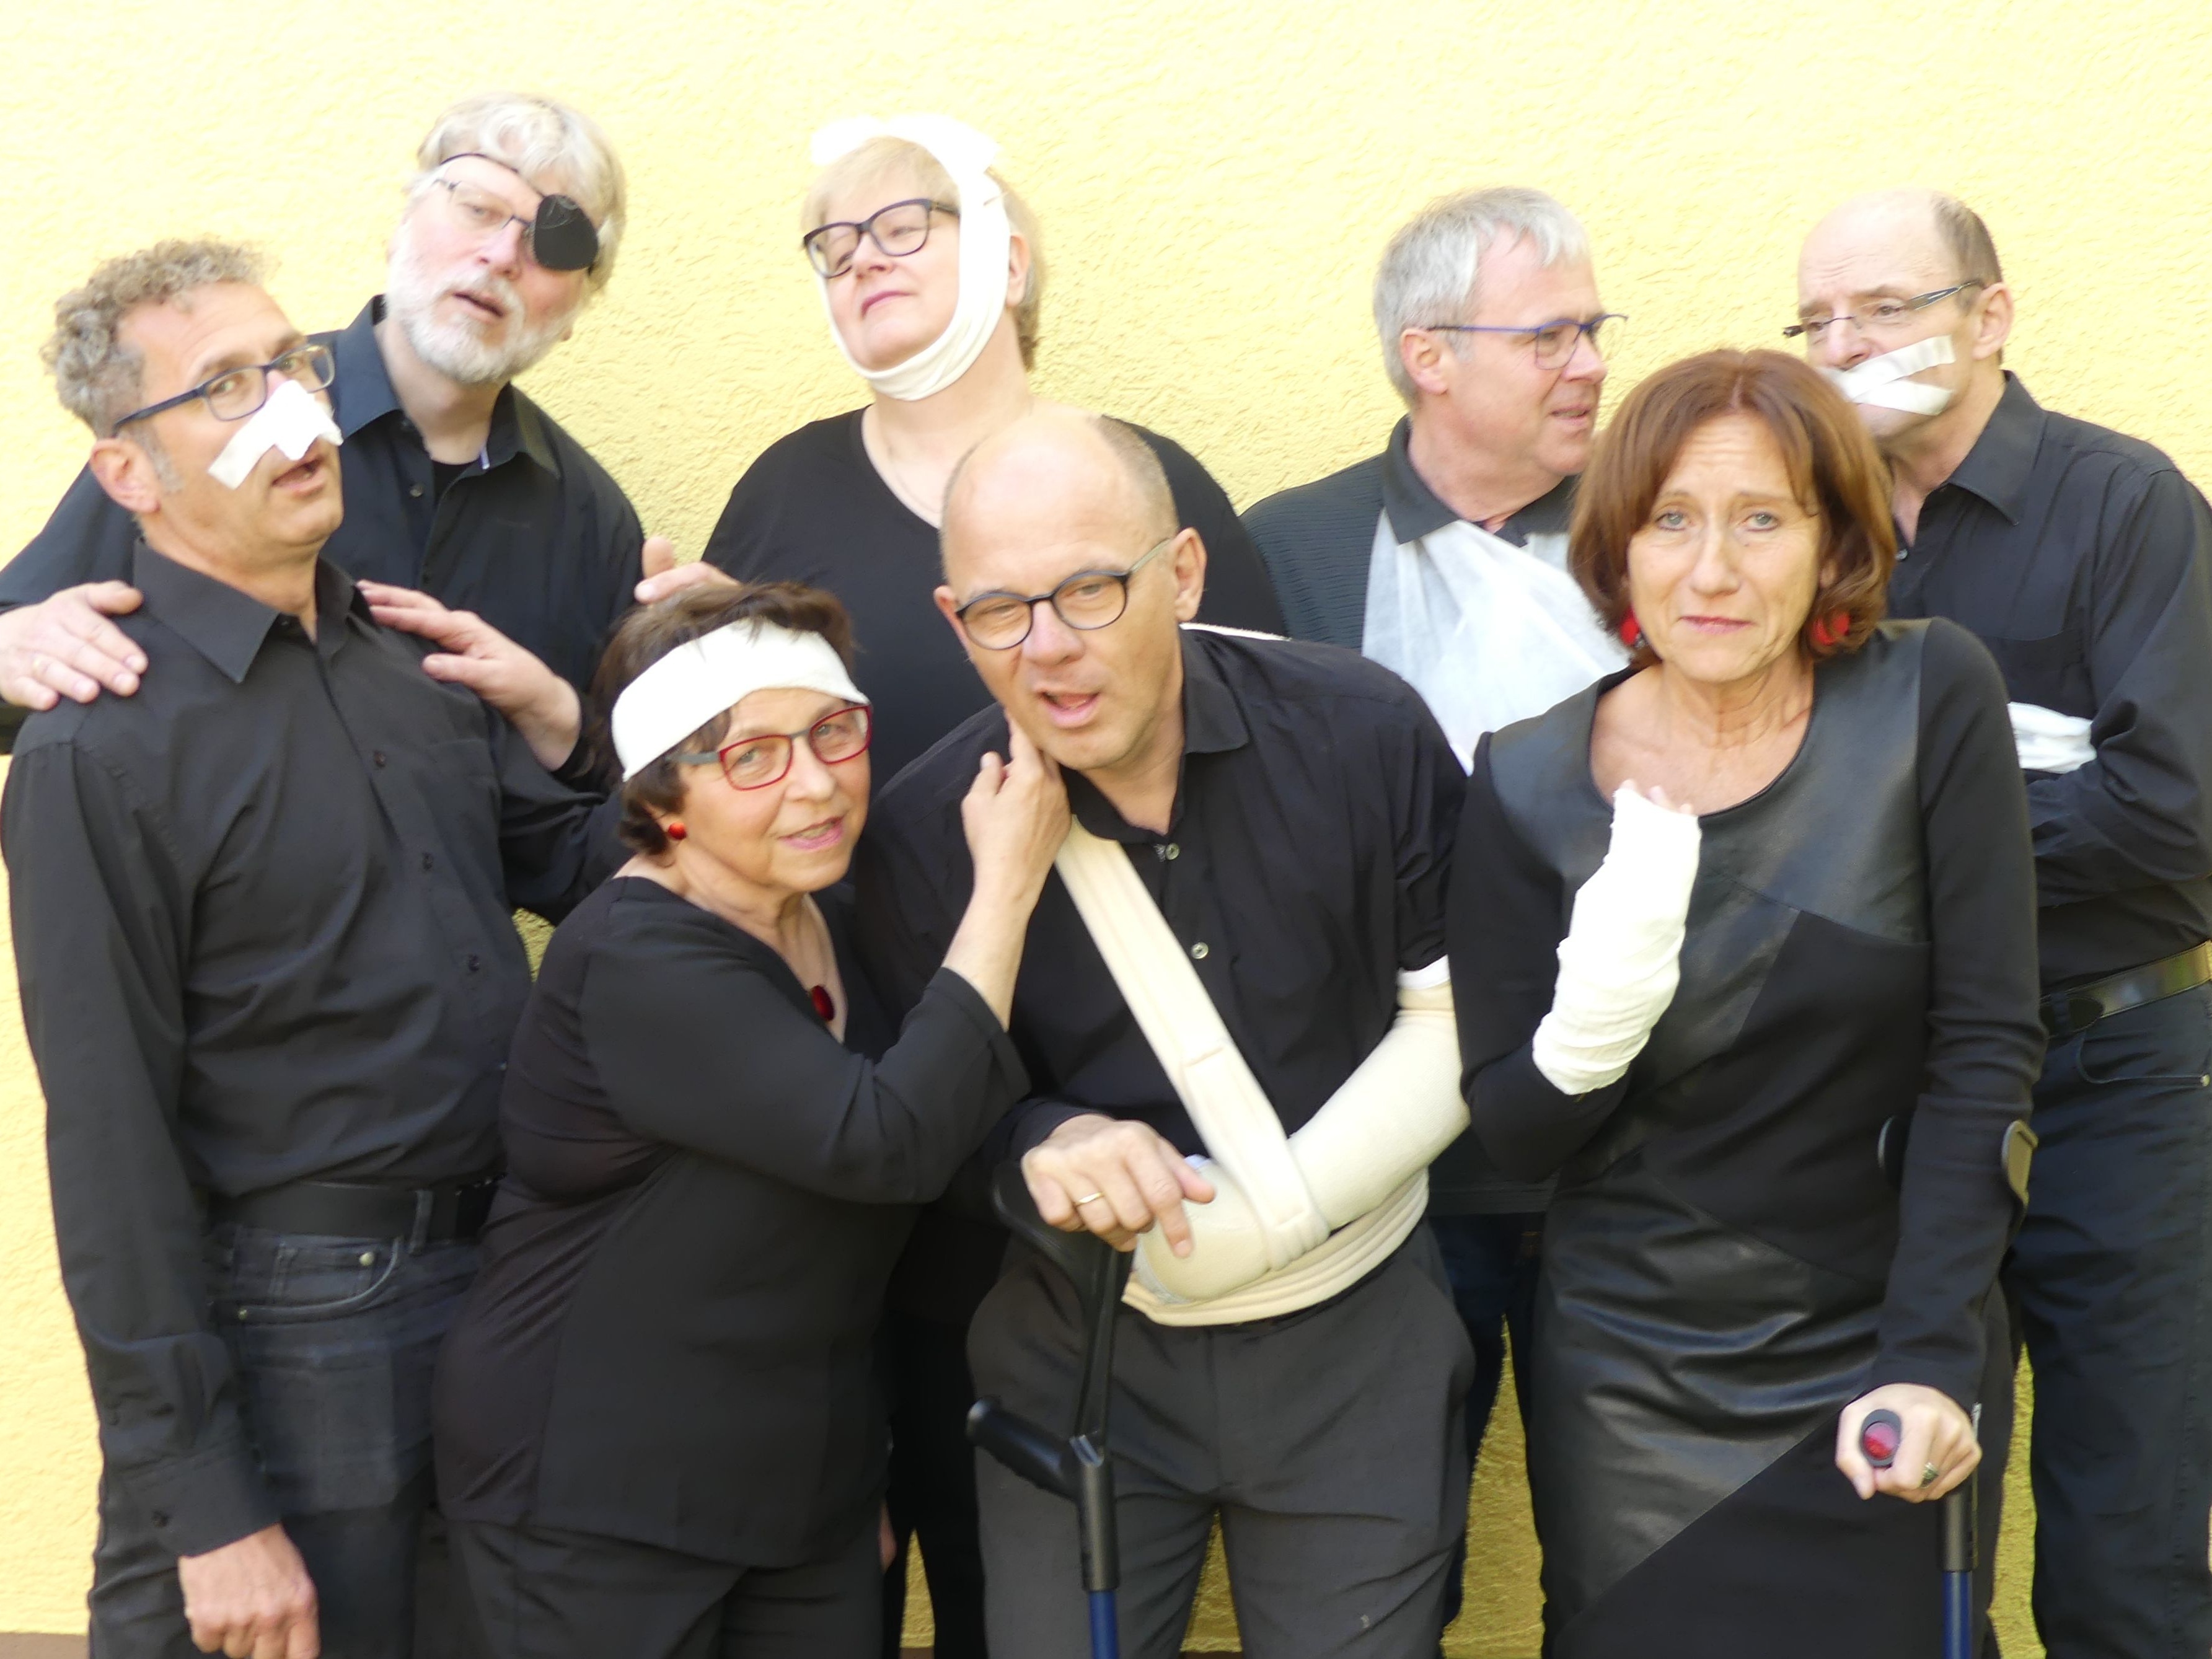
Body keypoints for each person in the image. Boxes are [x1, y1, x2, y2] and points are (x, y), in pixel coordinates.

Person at [646, 114, 1284, 1656]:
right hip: (859, 1132)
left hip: (1107, 1120)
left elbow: (1263, 781)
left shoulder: (1135, 489)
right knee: (848, 1564)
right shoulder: (783, 496)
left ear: (1006, 255)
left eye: (901, 223)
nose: (857, 257)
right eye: (830, 239)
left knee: (1039, 1586)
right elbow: (705, 808)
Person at [4, 242, 620, 1659]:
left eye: (293, 364)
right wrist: (206, 1505)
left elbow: (606, 879)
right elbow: (107, 1148)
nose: (294, 410)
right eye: (226, 386)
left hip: (499, 1301)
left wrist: (625, 714)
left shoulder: (415, 668)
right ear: (126, 474)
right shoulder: (98, 749)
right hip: (288, 1327)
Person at [1449, 348, 2042, 1655]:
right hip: (1628, 1376)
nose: (1709, 570)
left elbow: (1983, 1048)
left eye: (1760, 518)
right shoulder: (1527, 781)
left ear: (1831, 544)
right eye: (1670, 519)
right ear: (1618, 548)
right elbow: (1512, 1132)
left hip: (1882, 1342)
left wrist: (1928, 1355)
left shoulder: (1928, 698)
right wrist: (1601, 1004)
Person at [857, 410, 1473, 1659]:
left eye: (1089, 590)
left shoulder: (1360, 733)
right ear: (952, 620)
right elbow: (920, 1115)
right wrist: (1040, 1137)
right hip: (1079, 1351)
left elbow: (1461, 1021)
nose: (1047, 648)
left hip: (1355, 1339)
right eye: (999, 610)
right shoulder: (925, 832)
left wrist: (1263, 1222)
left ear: (1181, 572)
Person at [431, 583, 1067, 1657]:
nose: (816, 783)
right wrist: (1005, 885)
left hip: (798, 1493)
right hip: (597, 1496)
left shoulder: (836, 915)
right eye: (753, 756)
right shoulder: (638, 956)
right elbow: (885, 1143)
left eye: (833, 732)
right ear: (664, 795)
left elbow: (918, 1156)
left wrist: (851, 1473)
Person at [1795, 189, 2212, 1659]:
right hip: (1898, 1094)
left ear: (1986, 316)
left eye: (1884, 307)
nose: (1845, 343)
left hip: (2117, 1075)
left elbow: (2171, 814)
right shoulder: (1815, 534)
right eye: (1816, 318)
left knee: (2125, 1542)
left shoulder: (2122, 505)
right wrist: (2018, 783)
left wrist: (1919, 839)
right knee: (1898, 1525)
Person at [1243, 185, 1625, 1556]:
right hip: (1392, 1154)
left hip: (1626, 1144)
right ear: (1429, 356)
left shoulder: (1653, 531)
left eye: (1593, 330)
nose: (1587, 364)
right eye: (1547, 336)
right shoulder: (1289, 553)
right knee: (1390, 1546)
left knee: (1633, 1549)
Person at [0, 90, 656, 762]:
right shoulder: (218, 421)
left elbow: (635, 790)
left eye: (553, 243)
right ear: (402, 224)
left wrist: (576, 714)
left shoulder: (595, 525)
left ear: (579, 306)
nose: (501, 255)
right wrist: (12, 648)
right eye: (478, 208)